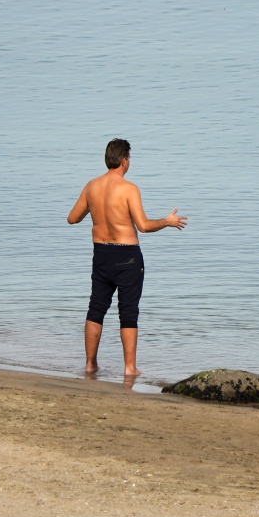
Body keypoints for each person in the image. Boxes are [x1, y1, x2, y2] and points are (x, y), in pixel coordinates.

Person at [67, 139, 187, 376]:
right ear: (124, 161)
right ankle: (130, 369)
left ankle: (90, 365)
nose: (129, 162)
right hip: (127, 257)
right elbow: (143, 226)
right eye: (129, 158)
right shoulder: (129, 188)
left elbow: (72, 218)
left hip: (101, 253)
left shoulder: (91, 186)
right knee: (128, 311)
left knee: (96, 308)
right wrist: (167, 221)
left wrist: (97, 208)